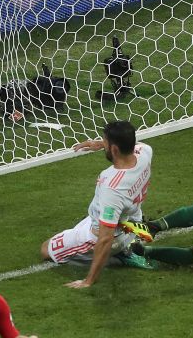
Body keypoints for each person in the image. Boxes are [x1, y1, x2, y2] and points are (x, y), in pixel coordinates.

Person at [40, 120, 154, 288]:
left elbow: (105, 237)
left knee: (46, 250)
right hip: (132, 223)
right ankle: (124, 246)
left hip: (110, 235)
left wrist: (88, 281)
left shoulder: (112, 186)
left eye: (105, 142)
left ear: (114, 149)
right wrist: (100, 144)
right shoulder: (145, 152)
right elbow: (132, 144)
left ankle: (118, 256)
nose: (103, 145)